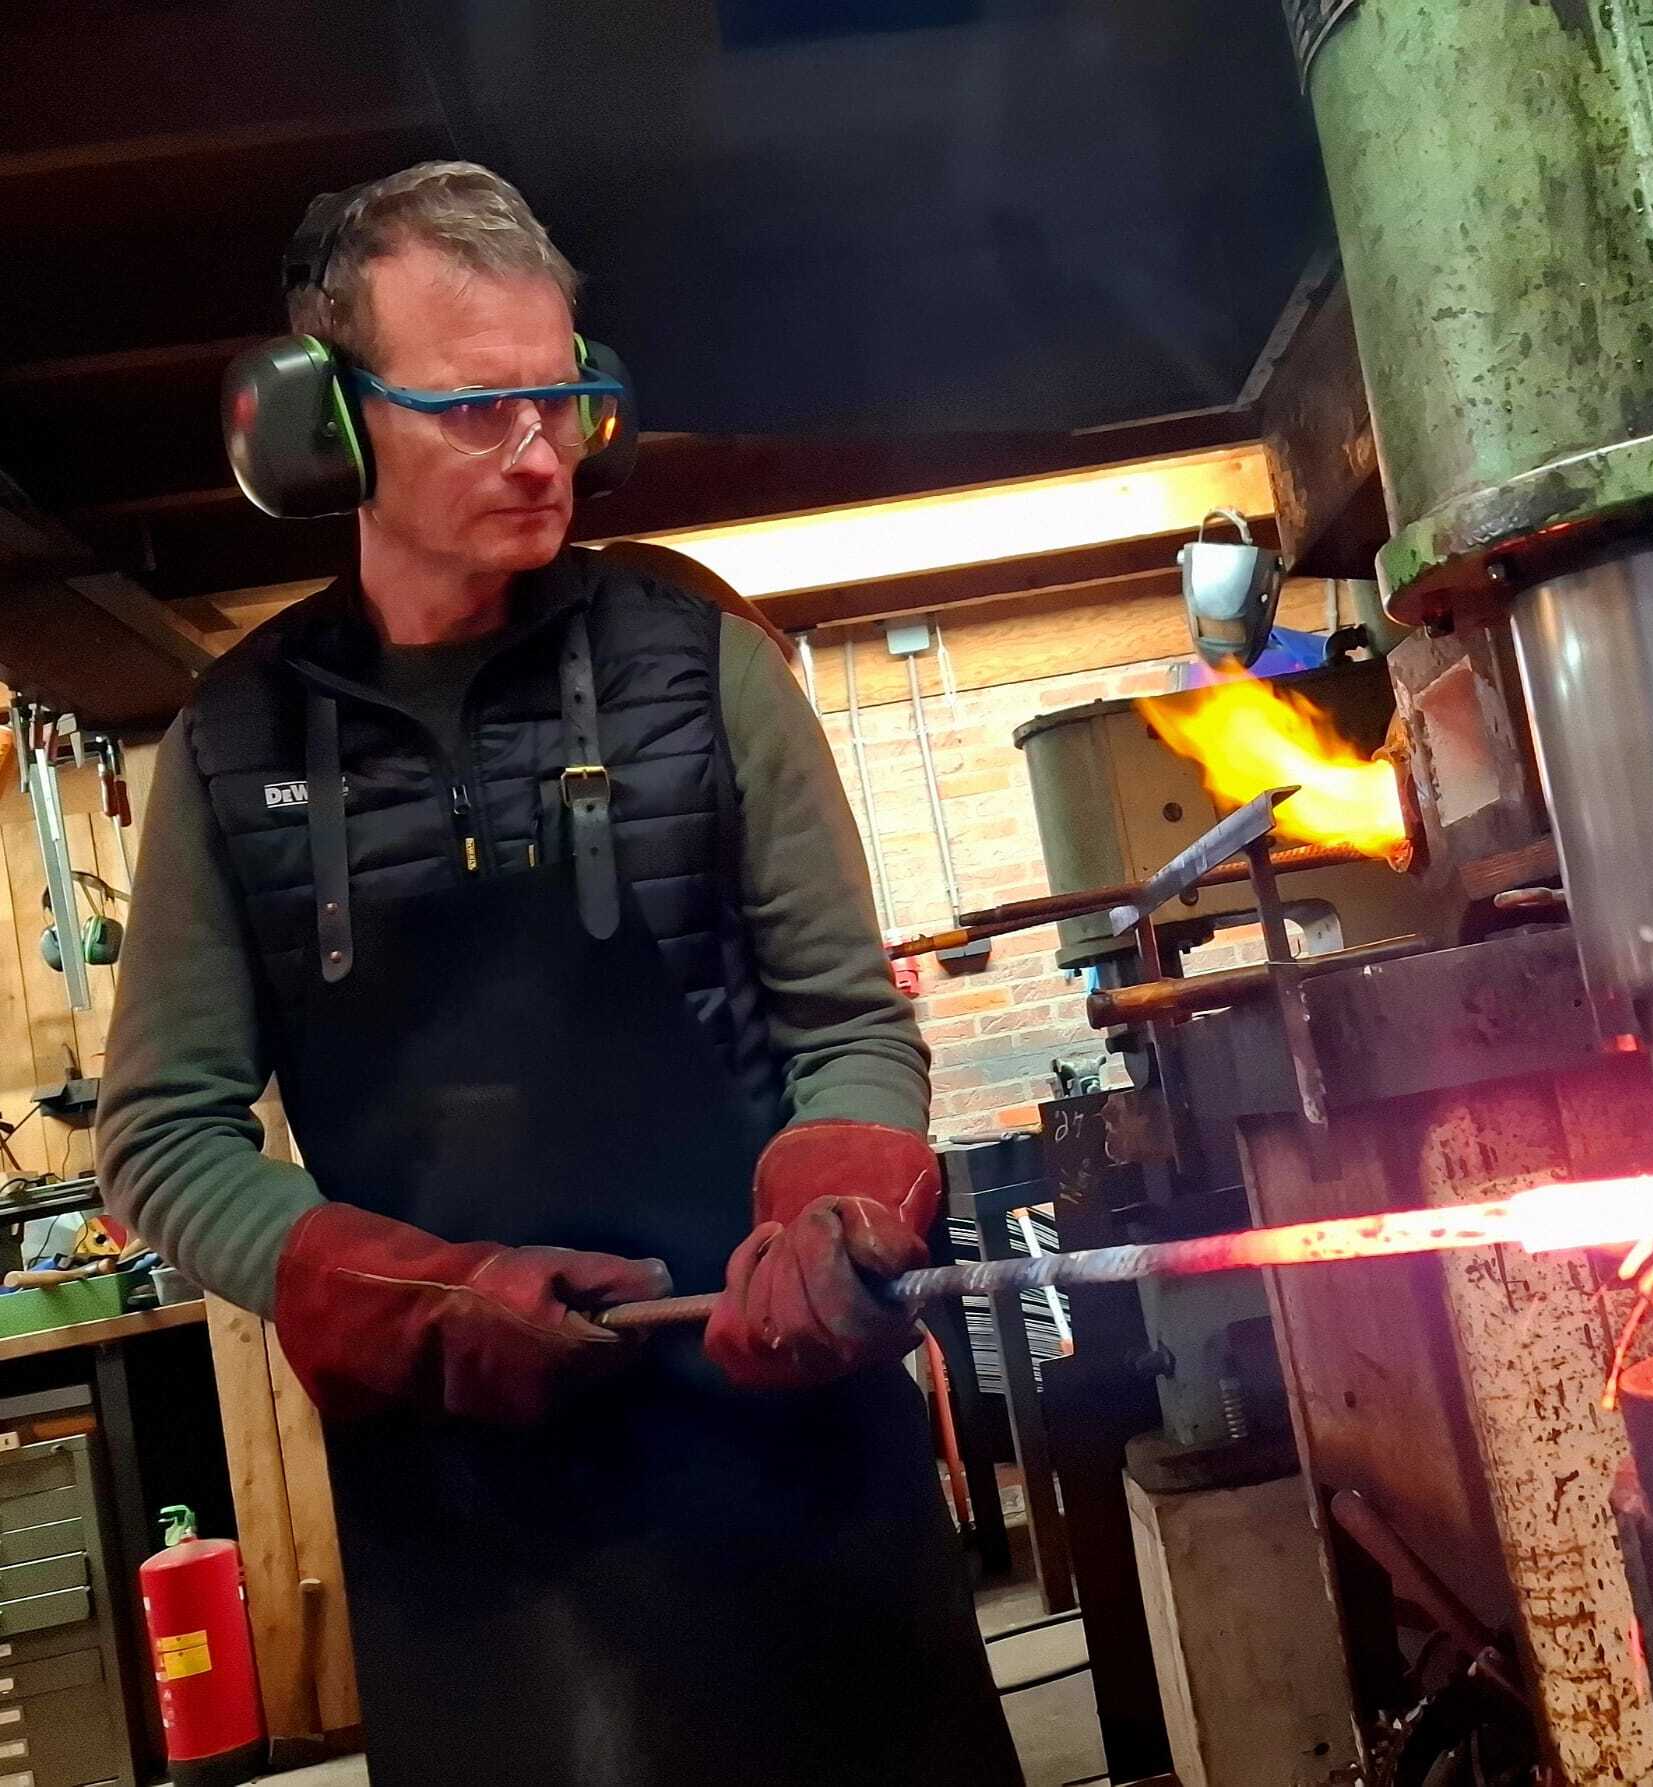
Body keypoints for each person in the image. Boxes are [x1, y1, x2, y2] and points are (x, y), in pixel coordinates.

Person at [96, 161, 1023, 1787]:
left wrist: (833, 1205)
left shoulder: (701, 665)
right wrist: (403, 1298)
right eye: (476, 410)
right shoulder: (236, 746)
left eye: (564, 398)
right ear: (327, 425)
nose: (541, 454)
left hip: (786, 1449)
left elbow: (846, 1023)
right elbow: (163, 1134)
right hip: (471, 1525)